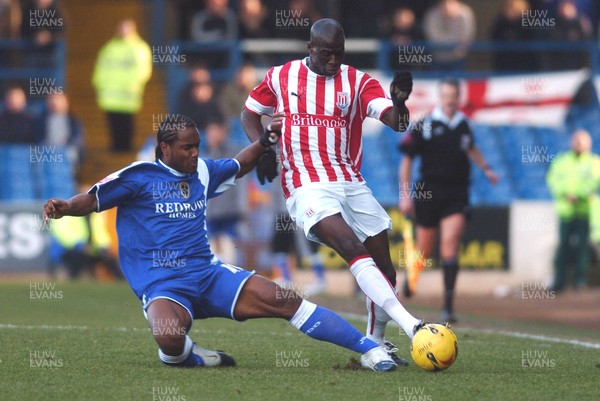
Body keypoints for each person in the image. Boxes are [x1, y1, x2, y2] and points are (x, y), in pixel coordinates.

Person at [43, 114, 400, 372]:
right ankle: (192, 356)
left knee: (284, 299)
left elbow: (238, 164)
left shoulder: (201, 170)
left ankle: (370, 349)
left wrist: (264, 142)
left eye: (197, 146)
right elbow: (91, 200)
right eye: (187, 148)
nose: (195, 153)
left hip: (208, 274)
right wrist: (64, 207)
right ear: (164, 148)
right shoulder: (138, 176)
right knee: (168, 336)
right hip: (162, 283)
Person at [241, 18, 423, 364]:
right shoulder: (282, 76)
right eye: (327, 54)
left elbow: (395, 122)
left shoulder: (357, 81)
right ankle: (415, 327)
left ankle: (376, 342)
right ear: (310, 48)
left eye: (339, 54)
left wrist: (399, 103)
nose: (334, 61)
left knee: (386, 268)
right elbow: (249, 114)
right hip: (306, 182)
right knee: (351, 247)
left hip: (349, 180)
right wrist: (263, 147)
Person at [398, 79, 498, 323]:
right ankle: (410, 281)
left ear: (458, 97)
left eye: (454, 95)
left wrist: (485, 168)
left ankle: (448, 306)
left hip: (456, 194)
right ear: (440, 97)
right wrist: (405, 194)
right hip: (428, 193)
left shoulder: (464, 125)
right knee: (424, 250)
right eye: (446, 95)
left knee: (450, 247)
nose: (450, 100)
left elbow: (470, 148)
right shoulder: (426, 124)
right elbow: (407, 160)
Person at [546, 129, 600, 292]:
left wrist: (578, 194)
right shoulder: (562, 161)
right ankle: (559, 282)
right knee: (564, 246)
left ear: (588, 144)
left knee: (583, 247)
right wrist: (565, 194)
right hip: (566, 211)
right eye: (576, 140)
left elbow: (595, 181)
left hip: (584, 210)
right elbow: (552, 179)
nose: (578, 144)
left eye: (581, 141)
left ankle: (580, 282)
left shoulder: (594, 162)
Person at [92, 19, 152, 152]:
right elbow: (101, 67)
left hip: (127, 93)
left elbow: (143, 69)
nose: (124, 31)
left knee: (127, 122)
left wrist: (134, 84)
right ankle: (115, 146)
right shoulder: (109, 47)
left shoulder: (139, 48)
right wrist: (98, 84)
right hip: (110, 94)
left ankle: (126, 147)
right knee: (113, 122)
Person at [423, 0, 475, 71]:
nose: (447, 6)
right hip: (437, 59)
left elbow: (466, 37)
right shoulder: (432, 14)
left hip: (458, 58)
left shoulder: (465, 14)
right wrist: (450, 43)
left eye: (450, 2)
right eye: (444, 3)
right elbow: (433, 38)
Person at [37, 92, 85, 170]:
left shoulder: (74, 121)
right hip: (47, 151)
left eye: (58, 99)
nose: (54, 102)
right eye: (52, 99)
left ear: (65, 102)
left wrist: (64, 147)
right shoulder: (41, 120)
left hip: (66, 152)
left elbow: (77, 139)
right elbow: (37, 137)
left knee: (71, 153)